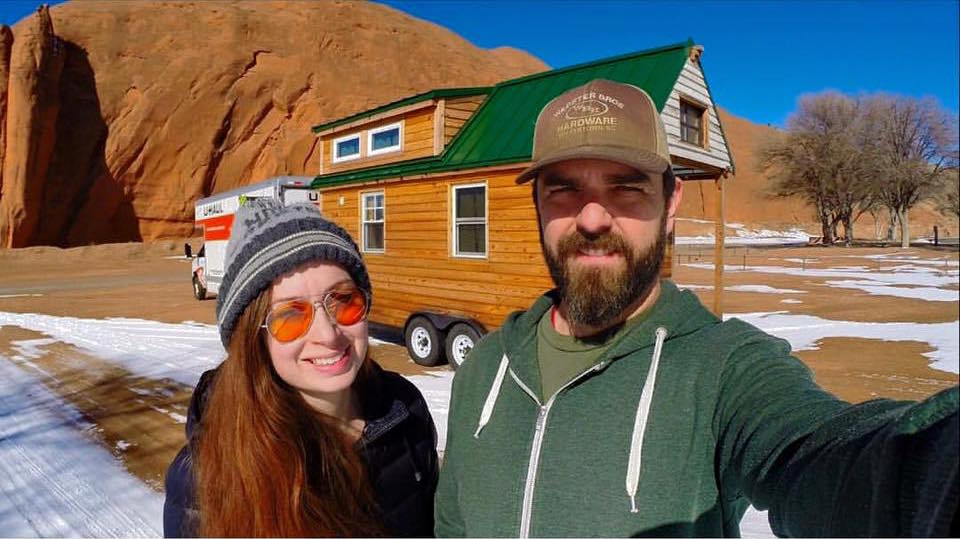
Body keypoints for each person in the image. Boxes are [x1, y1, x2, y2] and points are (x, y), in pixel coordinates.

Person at [434, 79, 958, 537]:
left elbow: (830, 460)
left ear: (671, 203)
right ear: (538, 205)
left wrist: (936, 473)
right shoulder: (483, 369)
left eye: (627, 188)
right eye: (564, 190)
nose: (592, 218)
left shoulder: (724, 370)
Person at [163, 199, 438, 537]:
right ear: (254, 340)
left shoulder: (404, 411)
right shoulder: (203, 477)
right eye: (291, 316)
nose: (327, 333)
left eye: (343, 300)